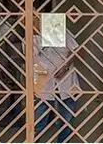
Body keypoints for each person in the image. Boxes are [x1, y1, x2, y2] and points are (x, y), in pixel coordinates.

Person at [32, 13, 80, 142]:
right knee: (39, 119)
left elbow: (75, 50)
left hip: (66, 80)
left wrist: (65, 67)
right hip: (44, 81)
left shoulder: (62, 31)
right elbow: (30, 59)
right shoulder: (32, 38)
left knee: (67, 118)